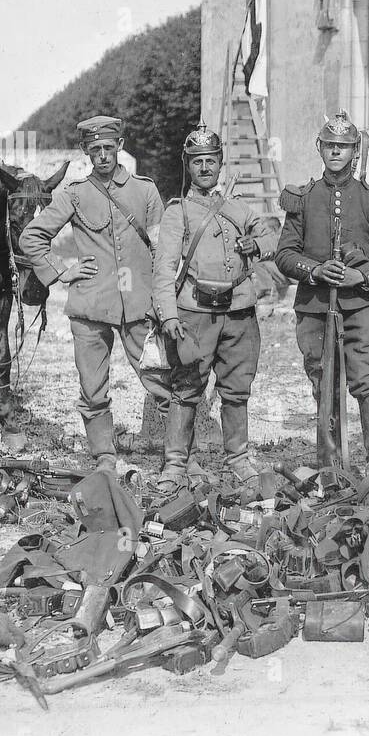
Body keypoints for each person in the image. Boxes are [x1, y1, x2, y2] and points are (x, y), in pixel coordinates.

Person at [19, 115, 171, 471]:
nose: (102, 156)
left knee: (160, 382)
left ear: (120, 145)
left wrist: (162, 298)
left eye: (108, 147)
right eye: (95, 150)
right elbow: (31, 237)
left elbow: (162, 248)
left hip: (138, 304)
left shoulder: (145, 191)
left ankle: (177, 457)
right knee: (93, 390)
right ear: (86, 152)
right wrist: (62, 270)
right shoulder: (74, 194)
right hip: (89, 306)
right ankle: (104, 457)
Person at [152, 124, 277, 490]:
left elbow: (272, 235)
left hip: (238, 311)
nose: (205, 168)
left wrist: (256, 246)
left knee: (237, 389)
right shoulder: (179, 212)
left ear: (221, 164)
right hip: (194, 313)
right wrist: (169, 315)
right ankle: (175, 464)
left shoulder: (239, 208)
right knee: (187, 388)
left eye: (211, 161)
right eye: (197, 162)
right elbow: (163, 269)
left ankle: (238, 459)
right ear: (188, 167)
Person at [274, 111, 369, 473]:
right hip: (315, 307)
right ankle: (330, 467)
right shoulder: (302, 198)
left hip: (363, 306)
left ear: (355, 152)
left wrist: (360, 276)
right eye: (330, 146)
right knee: (323, 382)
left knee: (368, 380)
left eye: (343, 147)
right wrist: (314, 270)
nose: (335, 153)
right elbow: (284, 254)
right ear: (320, 148)